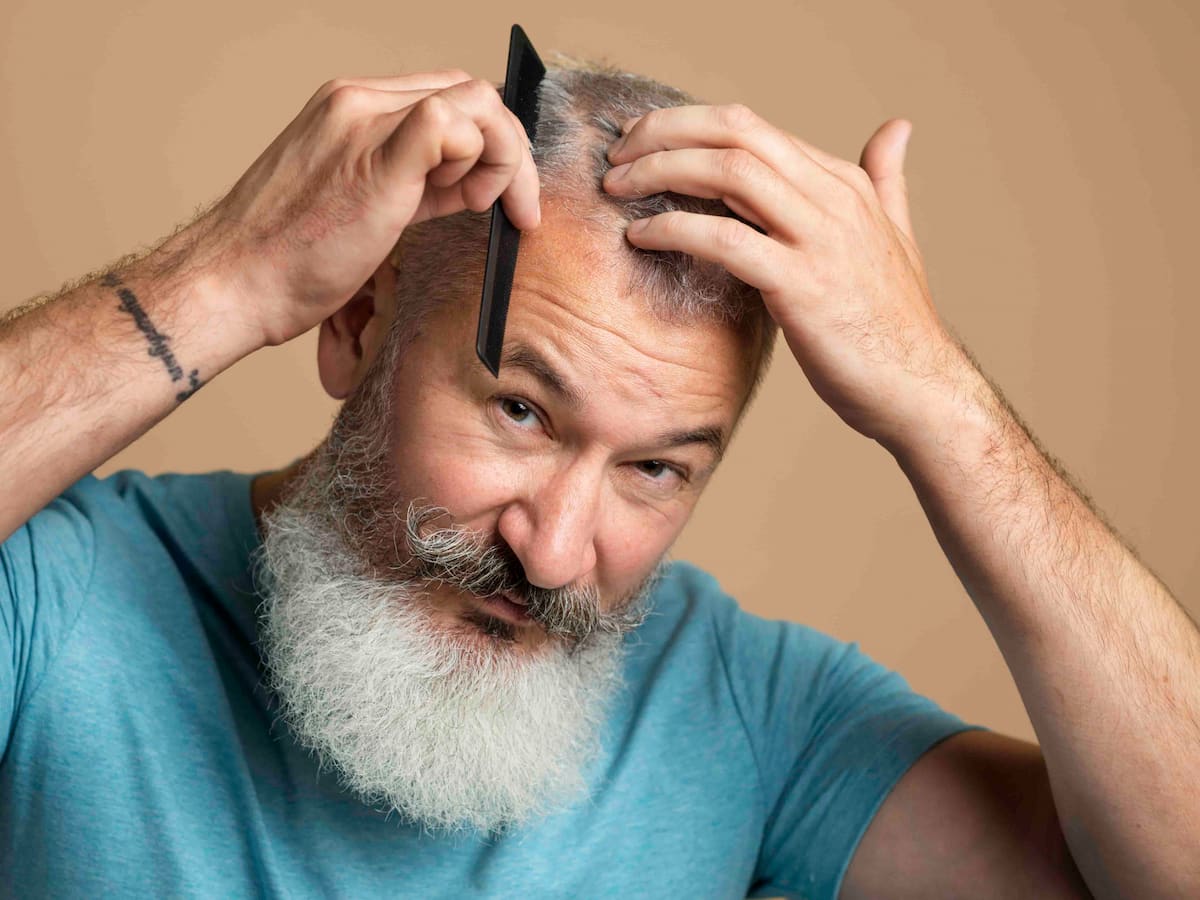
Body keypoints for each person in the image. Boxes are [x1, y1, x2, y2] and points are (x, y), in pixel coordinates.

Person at [0, 55, 1194, 899]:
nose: (556, 551)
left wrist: (943, 402)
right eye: (521, 409)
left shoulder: (744, 708)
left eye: (656, 469)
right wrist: (226, 277)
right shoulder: (68, 601)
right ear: (358, 325)